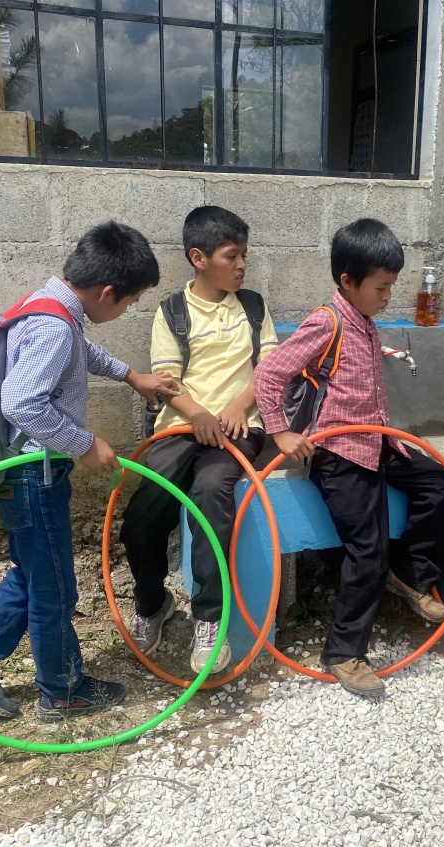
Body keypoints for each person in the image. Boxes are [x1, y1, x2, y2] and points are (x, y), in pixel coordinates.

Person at [0, 221, 181, 722]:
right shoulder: (53, 326)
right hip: (34, 480)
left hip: (23, 475)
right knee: (55, 589)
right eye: (129, 303)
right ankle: (62, 690)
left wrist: (131, 376)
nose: (126, 310)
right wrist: (85, 444)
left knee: (31, 575)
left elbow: (80, 351)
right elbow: (23, 403)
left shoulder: (50, 307)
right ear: (107, 291)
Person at [252, 218, 444, 698]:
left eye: (392, 287)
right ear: (347, 281)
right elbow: (269, 375)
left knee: (439, 484)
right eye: (381, 287)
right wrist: (281, 432)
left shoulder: (361, 319)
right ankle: (344, 652)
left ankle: (410, 575)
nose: (388, 296)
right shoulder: (327, 320)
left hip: (378, 443)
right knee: (368, 549)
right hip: (340, 454)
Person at [119, 206, 278, 675]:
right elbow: (166, 380)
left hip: (237, 430)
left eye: (245, 255)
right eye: (233, 256)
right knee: (141, 518)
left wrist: (233, 409)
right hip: (181, 426)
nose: (242, 265)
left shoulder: (252, 306)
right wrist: (198, 414)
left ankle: (211, 618)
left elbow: (269, 370)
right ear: (199, 258)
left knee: (210, 495)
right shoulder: (171, 312)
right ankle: (153, 603)